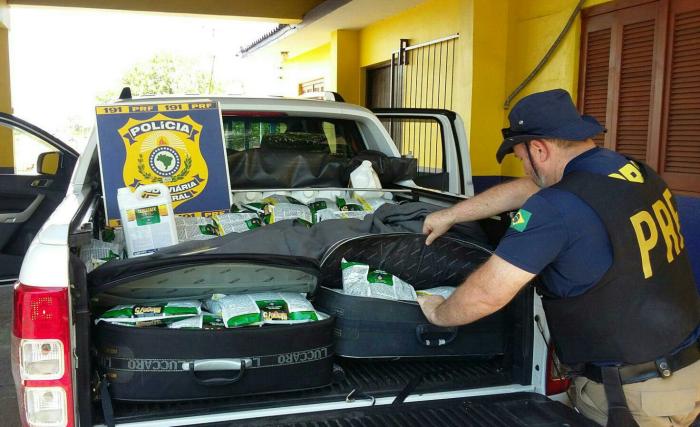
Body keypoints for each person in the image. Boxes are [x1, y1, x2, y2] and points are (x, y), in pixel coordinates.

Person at [417, 89, 700, 427]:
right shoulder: (631, 171)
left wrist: (437, 313)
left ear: (539, 149)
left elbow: (485, 295)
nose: (523, 166)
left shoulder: (557, 207)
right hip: (684, 376)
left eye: (521, 157)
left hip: (631, 400)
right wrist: (453, 215)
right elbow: (530, 188)